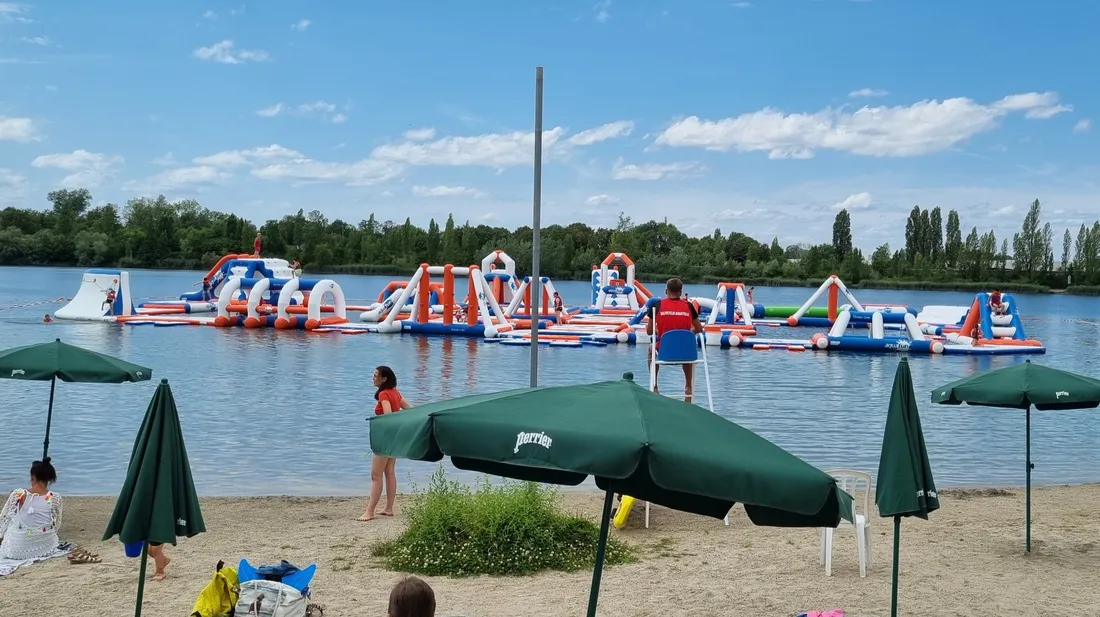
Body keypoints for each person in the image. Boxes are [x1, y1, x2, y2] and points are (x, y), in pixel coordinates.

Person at [360, 366, 411, 521]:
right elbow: (409, 409)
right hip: (395, 437)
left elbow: (388, 415)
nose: (373, 377)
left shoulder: (384, 394)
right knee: (389, 472)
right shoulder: (396, 393)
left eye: (376, 375)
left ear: (384, 379)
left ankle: (370, 511)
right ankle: (388, 508)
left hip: (385, 438)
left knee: (376, 475)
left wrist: (381, 420)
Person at [645, 278, 704, 402]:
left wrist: (661, 331)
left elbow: (649, 332)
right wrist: (686, 333)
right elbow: (699, 329)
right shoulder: (688, 306)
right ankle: (688, 386)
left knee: (651, 349)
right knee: (687, 347)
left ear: (666, 291)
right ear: (681, 292)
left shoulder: (657, 305)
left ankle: (654, 385)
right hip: (685, 352)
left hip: (664, 351)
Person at [0, 458, 64, 561]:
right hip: (43, 547)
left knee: (13, 521)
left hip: (13, 550)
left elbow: (3, 521)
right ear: (49, 479)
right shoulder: (55, 498)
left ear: (33, 477)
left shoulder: (18, 494)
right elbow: (56, 525)